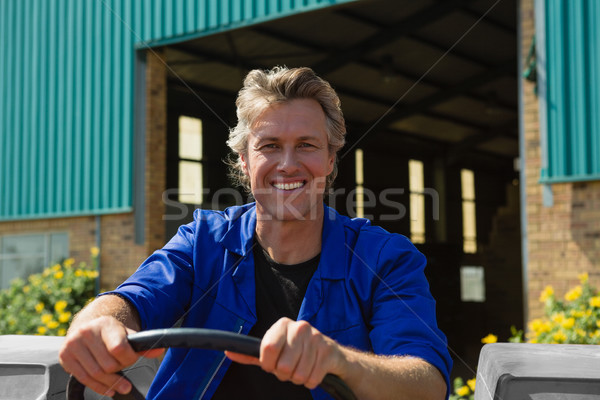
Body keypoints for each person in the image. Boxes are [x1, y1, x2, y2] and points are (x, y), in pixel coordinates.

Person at [59, 66, 452, 399]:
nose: (287, 164)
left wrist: (340, 360)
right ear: (245, 161)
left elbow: (427, 383)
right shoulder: (203, 242)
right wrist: (99, 321)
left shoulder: (385, 258)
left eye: (306, 145)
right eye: (269, 146)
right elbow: (132, 300)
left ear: (330, 159)